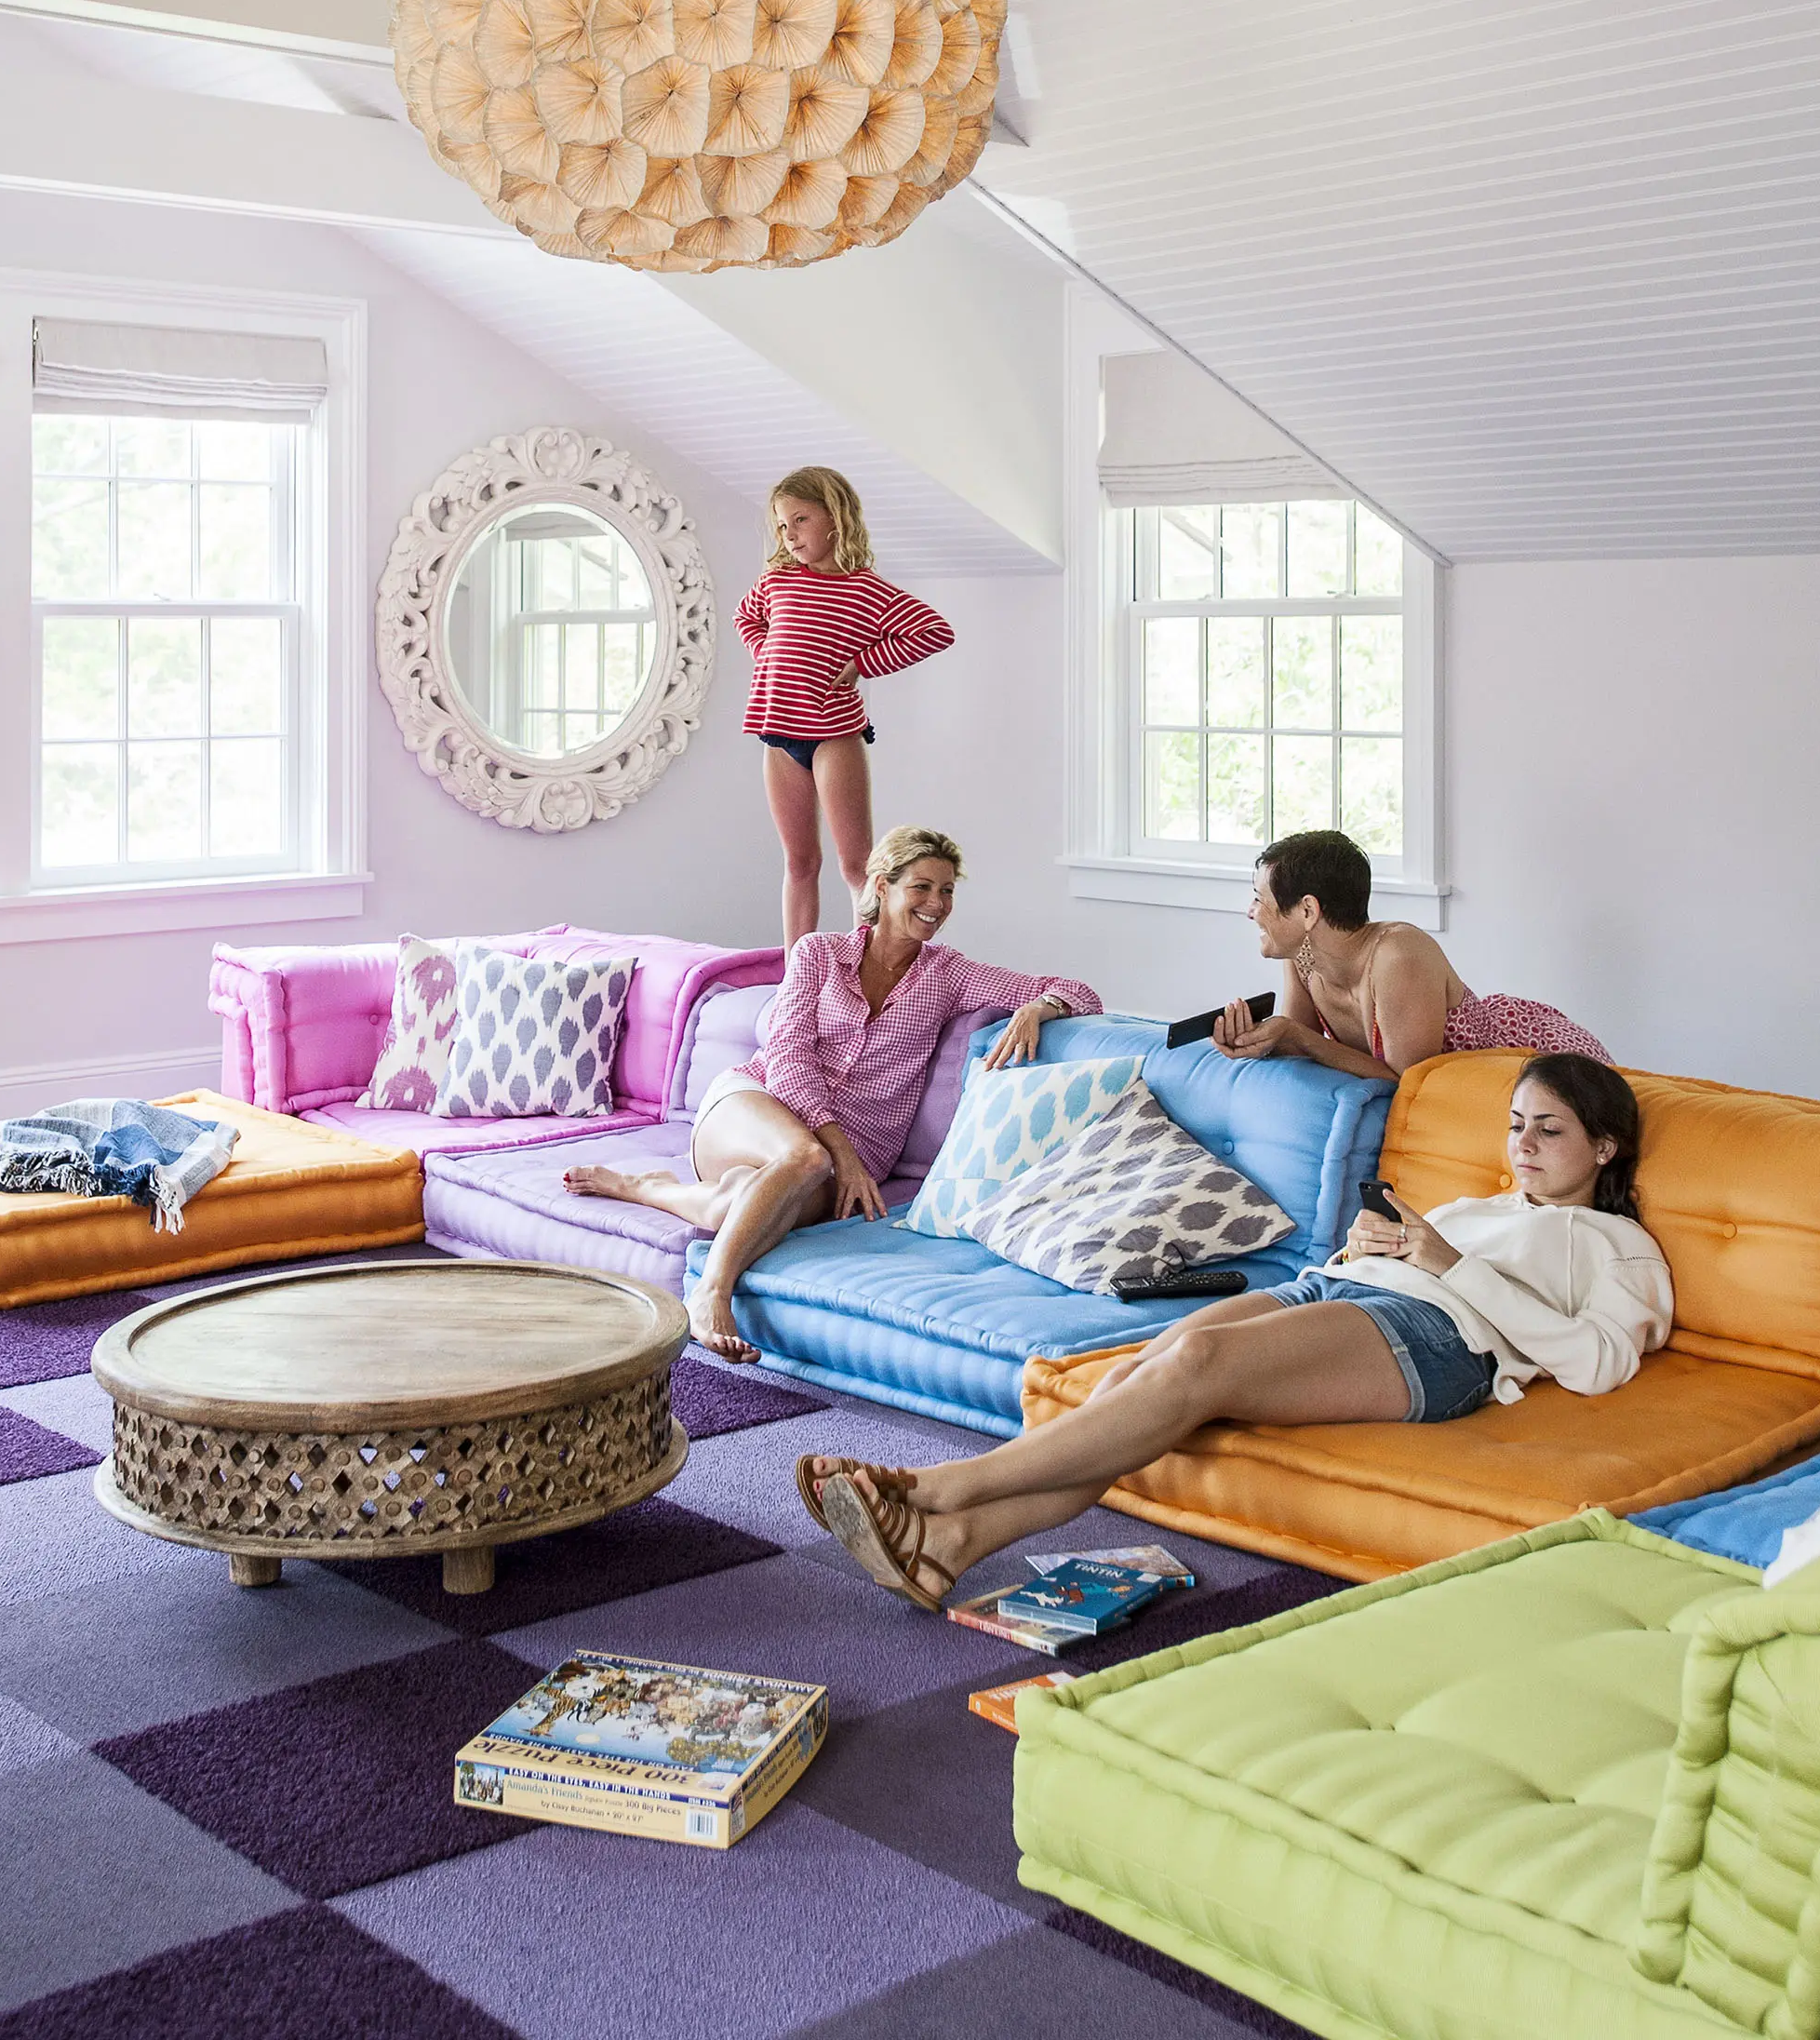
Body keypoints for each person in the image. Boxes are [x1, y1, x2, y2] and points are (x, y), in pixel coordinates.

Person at [798, 1053, 1672, 1608]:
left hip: (1438, 1337)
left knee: (1201, 1360)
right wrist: (1373, 1244)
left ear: (1604, 1148)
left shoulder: (1617, 1245)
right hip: (1341, 1290)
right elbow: (1406, 1260)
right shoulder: (1485, 1205)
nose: (1524, 1145)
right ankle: (950, 1550)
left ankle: (935, 1490)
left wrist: (1448, 1265)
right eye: (1516, 1126)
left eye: (1549, 1130)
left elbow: (1598, 1363)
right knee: (1138, 1373)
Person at [564, 825, 1102, 1361]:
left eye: (947, 890)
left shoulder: (949, 975)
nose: (937, 904)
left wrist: (1040, 1008)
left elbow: (1079, 991)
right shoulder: (818, 953)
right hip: (758, 1104)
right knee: (806, 1157)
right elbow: (788, 1054)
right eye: (921, 887)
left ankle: (645, 1188)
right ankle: (711, 1292)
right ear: (882, 887)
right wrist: (839, 1154)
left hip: (860, 1152)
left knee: (736, 1205)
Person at [735, 467, 954, 948]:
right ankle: (797, 973)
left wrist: (862, 664)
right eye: (782, 525)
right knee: (799, 862)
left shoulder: (866, 590)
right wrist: (766, 653)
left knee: (857, 866)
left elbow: (934, 631)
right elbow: (746, 617)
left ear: (835, 518)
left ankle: (863, 969)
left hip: (834, 735)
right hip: (778, 736)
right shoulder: (777, 581)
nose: (790, 534)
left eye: (800, 520)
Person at [1211, 828, 1612, 1081]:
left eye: (1258, 898)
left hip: (1542, 1062)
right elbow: (1307, 1050)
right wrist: (1259, 1039)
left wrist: (1292, 1034)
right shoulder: (1301, 956)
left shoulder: (1398, 955)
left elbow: (1409, 1080)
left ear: (1307, 911)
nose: (1250, 912)